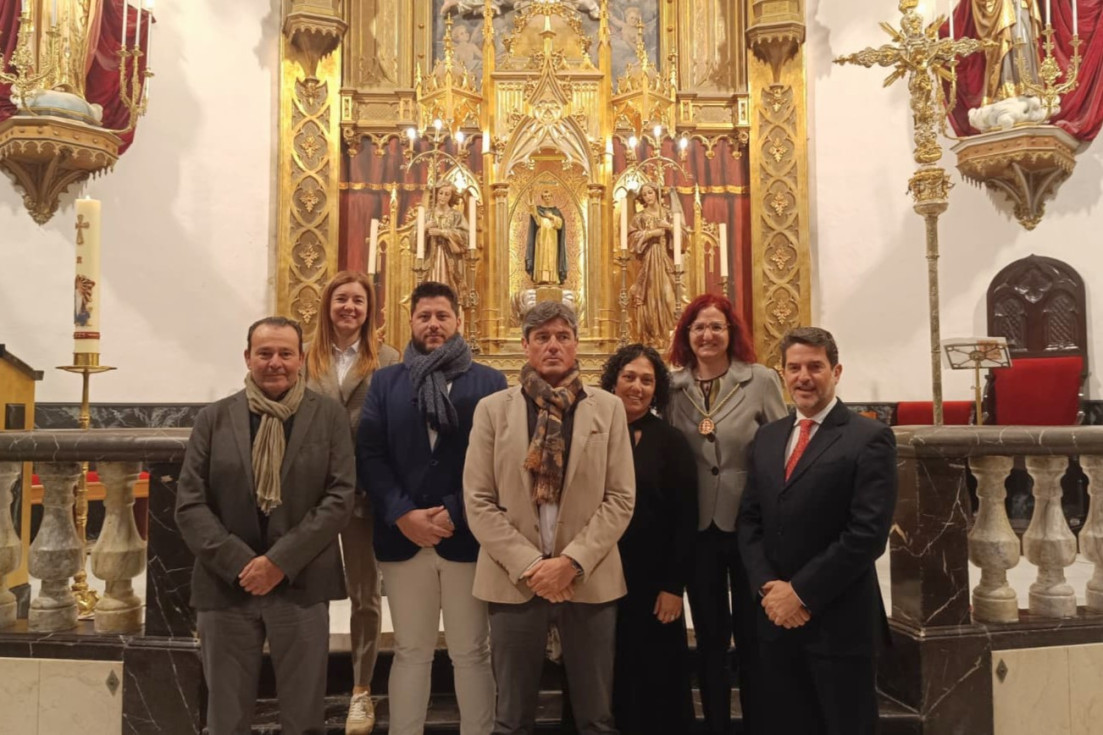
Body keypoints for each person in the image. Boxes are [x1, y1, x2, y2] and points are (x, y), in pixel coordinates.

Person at [175, 316, 354, 735]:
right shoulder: (214, 419)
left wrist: (278, 562)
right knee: (226, 715)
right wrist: (242, 563)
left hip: (301, 583)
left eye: (285, 353)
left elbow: (339, 497)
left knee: (304, 716)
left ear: (301, 359)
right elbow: (190, 503)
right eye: (265, 353)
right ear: (248, 357)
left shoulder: (328, 417)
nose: (276, 362)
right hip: (226, 586)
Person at [464, 301, 635, 735]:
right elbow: (479, 500)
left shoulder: (609, 408)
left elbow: (619, 498)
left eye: (562, 337)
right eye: (542, 337)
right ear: (525, 345)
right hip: (513, 579)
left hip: (588, 577)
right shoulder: (491, 410)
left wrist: (571, 561)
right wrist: (531, 565)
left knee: (596, 715)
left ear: (576, 344)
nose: (553, 346)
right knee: (512, 717)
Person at [357, 281, 505, 735]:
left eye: (442, 315)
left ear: (458, 321)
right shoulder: (386, 381)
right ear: (412, 322)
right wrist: (403, 514)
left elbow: (499, 459)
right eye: (424, 316)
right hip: (403, 538)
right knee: (411, 651)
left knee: (471, 651)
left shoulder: (489, 381)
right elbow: (370, 454)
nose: (433, 324)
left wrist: (455, 511)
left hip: (465, 536)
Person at [737, 327, 898, 735]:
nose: (803, 377)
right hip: (776, 620)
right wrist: (769, 590)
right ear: (782, 373)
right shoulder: (768, 437)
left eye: (815, 367)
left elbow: (867, 534)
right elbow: (750, 520)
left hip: (838, 622)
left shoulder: (869, 437)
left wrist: (801, 593)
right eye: (794, 368)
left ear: (836, 370)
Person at [666, 294, 787, 735]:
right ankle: (715, 722)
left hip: (750, 525)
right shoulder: (672, 386)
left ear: (731, 333)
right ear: (686, 335)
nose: (707, 335)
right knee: (711, 637)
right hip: (699, 528)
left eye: (716, 326)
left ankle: (761, 723)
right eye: (698, 327)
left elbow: (780, 447)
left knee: (755, 636)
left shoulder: (759, 380)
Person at [303, 271, 400, 735]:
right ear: (328, 304)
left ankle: (361, 691)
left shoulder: (386, 358)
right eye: (341, 299)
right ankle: (305, 683)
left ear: (369, 309)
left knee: (365, 595)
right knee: (308, 591)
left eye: (358, 301)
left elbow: (389, 427)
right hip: (312, 494)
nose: (349, 307)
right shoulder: (305, 358)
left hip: (362, 492)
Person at [600, 344, 697, 735]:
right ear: (613, 382)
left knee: (656, 678)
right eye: (629, 377)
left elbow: (685, 518)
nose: (637, 387)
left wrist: (674, 586)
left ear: (656, 390)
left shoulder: (671, 441)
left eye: (646, 380)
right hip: (599, 575)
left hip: (654, 582)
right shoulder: (591, 432)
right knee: (603, 672)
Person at [627, 182, 682, 349]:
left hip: (666, 262)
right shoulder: (640, 217)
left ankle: (669, 337)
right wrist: (651, 233)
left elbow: (684, 238)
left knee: (669, 298)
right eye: (644, 194)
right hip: (648, 262)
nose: (648, 196)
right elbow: (631, 238)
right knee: (649, 298)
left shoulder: (668, 214)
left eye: (650, 192)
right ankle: (652, 338)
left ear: (657, 193)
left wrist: (671, 228)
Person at [425, 181, 469, 301]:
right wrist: (425, 228)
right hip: (431, 258)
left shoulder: (456, 216)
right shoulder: (428, 215)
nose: (443, 197)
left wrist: (443, 233)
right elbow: (414, 240)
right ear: (436, 194)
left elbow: (465, 236)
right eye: (441, 193)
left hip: (450, 259)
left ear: (451, 197)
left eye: (447, 194)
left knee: (449, 289)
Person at [525, 188, 567, 285]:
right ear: (542, 198)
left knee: (551, 258)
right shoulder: (539, 210)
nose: (547, 198)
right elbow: (534, 214)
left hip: (553, 239)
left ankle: (552, 279)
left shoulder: (556, 212)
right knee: (542, 257)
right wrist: (531, 197)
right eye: (545, 197)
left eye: (549, 196)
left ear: (552, 197)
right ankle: (541, 278)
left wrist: (551, 217)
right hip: (542, 239)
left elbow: (560, 224)